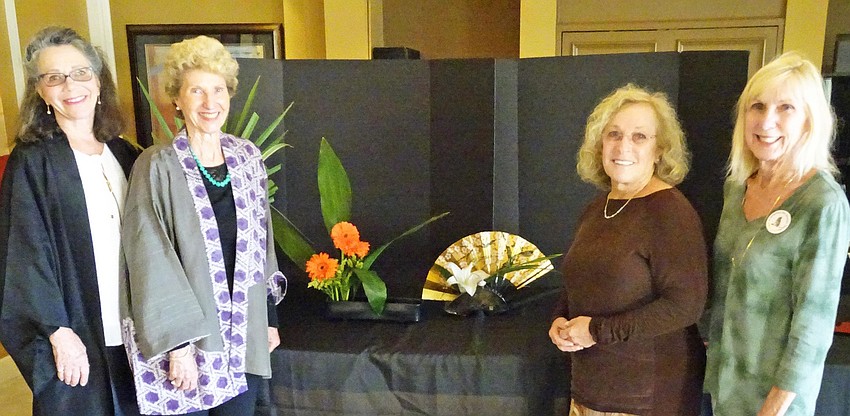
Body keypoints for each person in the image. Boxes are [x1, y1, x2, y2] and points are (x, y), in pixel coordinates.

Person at [120, 35, 286, 415]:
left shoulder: (247, 158)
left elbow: (262, 246)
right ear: (177, 99)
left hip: (245, 333)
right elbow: (149, 256)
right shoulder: (157, 165)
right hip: (187, 343)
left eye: (218, 89)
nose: (210, 103)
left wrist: (268, 320)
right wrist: (179, 348)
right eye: (197, 91)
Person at [0, 26, 141, 415]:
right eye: (54, 77)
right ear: (41, 92)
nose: (70, 86)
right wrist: (58, 331)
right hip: (77, 331)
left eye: (80, 73)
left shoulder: (126, 154)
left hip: (135, 329)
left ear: (98, 81)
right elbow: (24, 254)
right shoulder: (32, 162)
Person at [704, 52, 850, 416]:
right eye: (758, 106)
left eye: (786, 107)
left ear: (809, 121)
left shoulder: (822, 202)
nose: (767, 121)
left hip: (776, 401)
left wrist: (773, 409)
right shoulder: (737, 188)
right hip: (723, 388)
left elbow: (814, 324)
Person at [549, 84, 708, 415]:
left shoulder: (670, 212)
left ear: (659, 150)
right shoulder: (597, 208)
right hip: (590, 390)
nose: (623, 146)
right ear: (599, 144)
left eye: (640, 137)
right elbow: (580, 283)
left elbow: (685, 306)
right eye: (614, 134)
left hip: (646, 399)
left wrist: (595, 331)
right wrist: (559, 319)